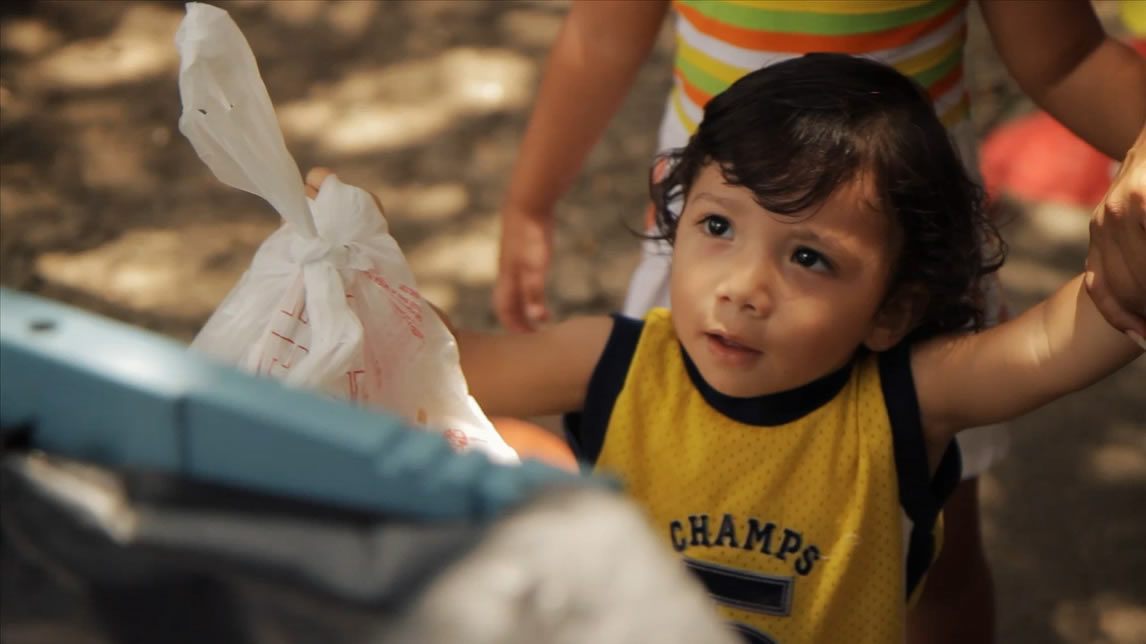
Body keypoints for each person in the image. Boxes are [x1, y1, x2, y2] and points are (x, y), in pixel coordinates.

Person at [307, 54, 1144, 644]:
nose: (744, 286)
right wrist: (355, 261)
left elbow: (1055, 346)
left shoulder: (905, 404)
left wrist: (1132, 261)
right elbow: (441, 365)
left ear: (891, 310)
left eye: (809, 256)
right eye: (717, 226)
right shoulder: (612, 362)